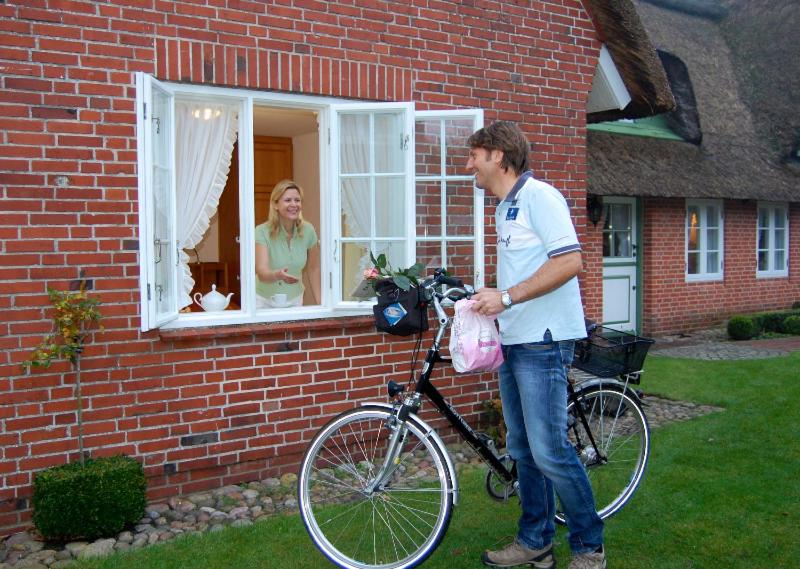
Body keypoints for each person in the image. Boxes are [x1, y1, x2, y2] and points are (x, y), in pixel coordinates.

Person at [469, 122, 606, 569]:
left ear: (499, 157)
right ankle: (535, 541)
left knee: (550, 450)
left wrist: (506, 297)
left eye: (476, 154)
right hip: (515, 339)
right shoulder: (503, 208)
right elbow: (525, 271)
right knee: (524, 450)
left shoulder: (540, 197)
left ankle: (589, 548)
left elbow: (570, 262)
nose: (469, 163)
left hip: (544, 343)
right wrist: (492, 298)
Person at [255, 179, 321, 308]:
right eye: (288, 200)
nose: (294, 204)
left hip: (295, 300)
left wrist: (321, 302)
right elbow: (262, 272)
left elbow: (313, 268)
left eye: (297, 200)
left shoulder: (308, 230)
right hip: (263, 301)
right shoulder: (261, 231)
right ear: (275, 204)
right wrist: (277, 275)